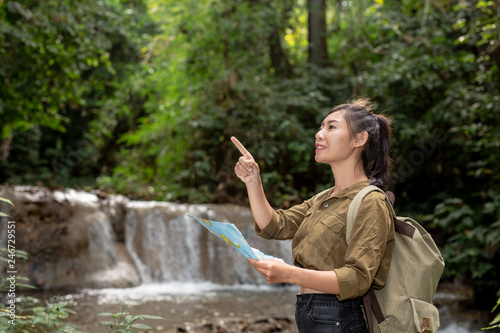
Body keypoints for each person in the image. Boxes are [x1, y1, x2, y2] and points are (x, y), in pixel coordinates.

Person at [231, 98, 395, 333]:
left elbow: (358, 278)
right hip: (313, 314)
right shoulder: (323, 199)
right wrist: (253, 181)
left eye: (331, 127)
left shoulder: (371, 201)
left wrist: (289, 273)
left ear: (359, 139)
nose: (319, 134)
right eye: (321, 127)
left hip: (341, 317)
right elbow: (276, 225)